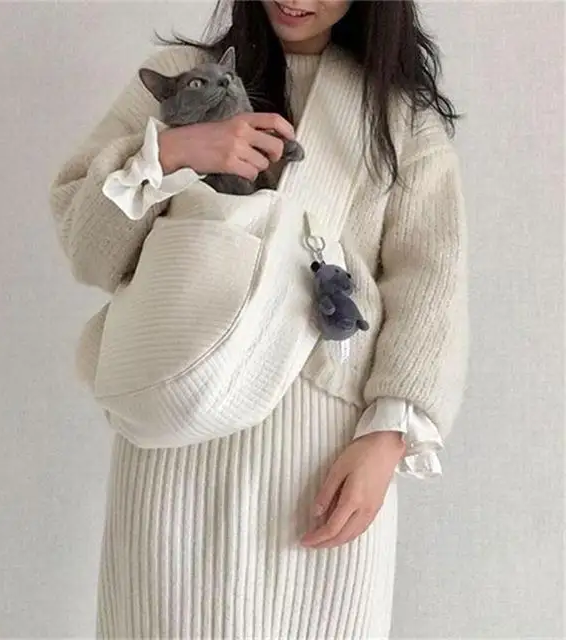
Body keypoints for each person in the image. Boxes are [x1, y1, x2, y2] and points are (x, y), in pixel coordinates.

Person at [48, 1, 469, 637]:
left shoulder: (398, 119)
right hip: (175, 432)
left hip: (324, 449)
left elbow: (431, 284)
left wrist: (388, 438)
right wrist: (172, 153)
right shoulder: (177, 75)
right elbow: (88, 249)